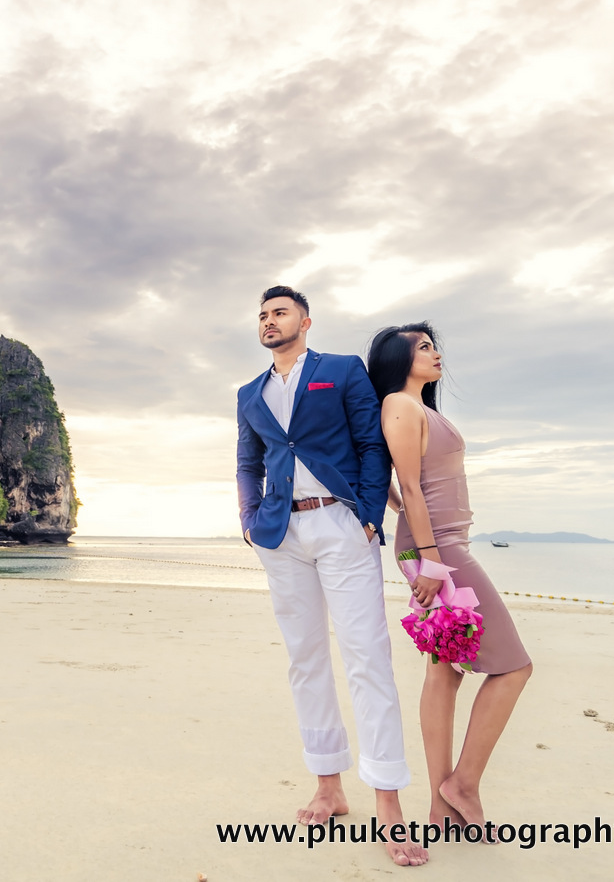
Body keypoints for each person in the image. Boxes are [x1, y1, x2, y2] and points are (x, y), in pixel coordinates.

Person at [236, 286, 428, 868]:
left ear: (305, 320)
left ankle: (389, 805)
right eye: (264, 315)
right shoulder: (250, 393)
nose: (270, 321)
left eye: (280, 312)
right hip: (281, 535)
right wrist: (248, 519)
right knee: (306, 659)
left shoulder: (342, 371)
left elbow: (372, 445)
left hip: (342, 527)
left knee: (368, 657)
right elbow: (247, 460)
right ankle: (328, 786)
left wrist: (369, 515)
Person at [369, 322, 532, 835]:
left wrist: (413, 534)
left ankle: (443, 808)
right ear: (399, 359)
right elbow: (411, 489)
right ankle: (462, 784)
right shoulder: (400, 403)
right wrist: (432, 562)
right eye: (422, 347)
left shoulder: (421, 408)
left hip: (437, 546)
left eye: (433, 345)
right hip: (439, 550)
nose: (435, 353)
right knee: (514, 668)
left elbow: (398, 487)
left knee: (445, 672)